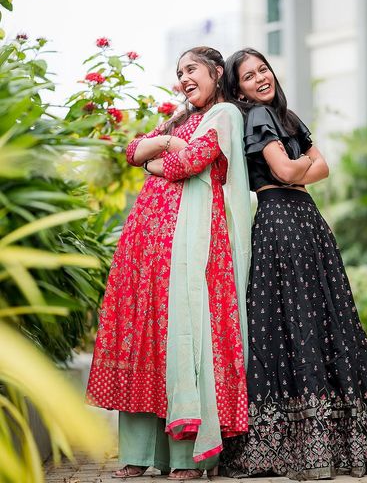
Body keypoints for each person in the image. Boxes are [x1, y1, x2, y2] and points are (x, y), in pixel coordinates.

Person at [220, 48, 367, 480]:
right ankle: (307, 446)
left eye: (263, 69)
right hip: (281, 220)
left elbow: (323, 168)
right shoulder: (257, 117)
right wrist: (301, 167)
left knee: (311, 319)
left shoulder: (287, 117)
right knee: (297, 321)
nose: (260, 79)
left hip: (307, 220)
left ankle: (318, 444)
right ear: (238, 89)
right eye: (248, 76)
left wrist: (300, 169)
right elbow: (288, 169)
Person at [86, 47, 251, 479]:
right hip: (146, 248)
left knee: (185, 339)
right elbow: (132, 151)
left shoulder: (225, 115)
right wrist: (165, 142)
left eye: (191, 69)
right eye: (180, 73)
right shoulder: (180, 120)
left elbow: (188, 163)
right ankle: (139, 456)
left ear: (217, 72)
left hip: (192, 244)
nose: (184, 78)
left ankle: (186, 458)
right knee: (150, 340)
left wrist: (161, 155)